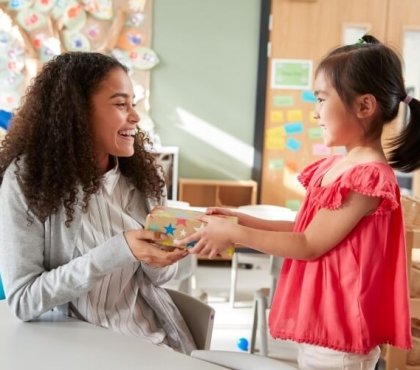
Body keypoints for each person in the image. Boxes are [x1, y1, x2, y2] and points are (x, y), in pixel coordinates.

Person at [178, 35, 419, 369]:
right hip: (325, 326)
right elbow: (306, 228)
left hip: (344, 334)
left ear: (364, 106)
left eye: (321, 99)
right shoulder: (340, 165)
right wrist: (241, 219)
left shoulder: (368, 178)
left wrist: (235, 235)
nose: (315, 112)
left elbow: (308, 244)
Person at [0, 52, 196, 354]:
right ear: (77, 112)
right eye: (120, 104)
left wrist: (162, 259)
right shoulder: (27, 181)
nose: (134, 116)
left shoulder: (146, 177)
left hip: (151, 345)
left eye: (133, 103)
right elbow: (24, 300)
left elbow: (166, 278)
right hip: (73, 352)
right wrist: (120, 249)